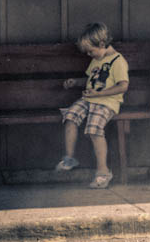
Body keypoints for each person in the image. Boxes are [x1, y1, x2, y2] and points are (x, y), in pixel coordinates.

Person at [55, 22, 129, 189]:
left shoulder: (118, 61)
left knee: (94, 129)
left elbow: (123, 86)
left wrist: (99, 94)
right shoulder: (97, 59)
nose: (89, 54)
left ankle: (103, 172)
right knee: (71, 116)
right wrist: (76, 82)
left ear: (102, 44)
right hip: (89, 99)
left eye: (91, 51)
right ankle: (69, 158)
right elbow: (91, 81)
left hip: (106, 102)